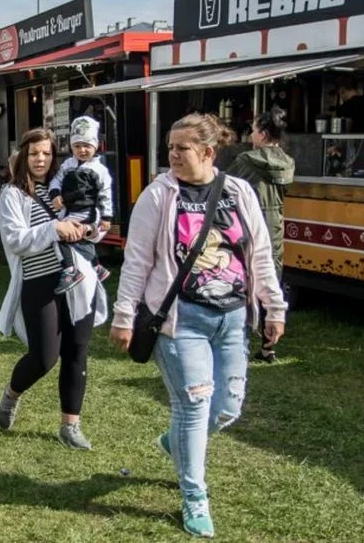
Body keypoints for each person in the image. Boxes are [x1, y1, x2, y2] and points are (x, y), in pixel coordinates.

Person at [109, 113, 287, 538]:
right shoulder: (159, 195)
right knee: (192, 407)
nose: (172, 154)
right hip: (179, 321)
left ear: (208, 152)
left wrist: (273, 308)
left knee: (226, 408)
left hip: (231, 319)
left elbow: (260, 255)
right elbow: (137, 260)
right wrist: (123, 314)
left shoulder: (239, 191)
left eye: (181, 147)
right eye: (170, 146)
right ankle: (194, 496)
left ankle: (175, 443)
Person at [0, 128, 107, 451]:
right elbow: (15, 239)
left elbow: (92, 223)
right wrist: (54, 228)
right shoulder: (12, 194)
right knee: (44, 357)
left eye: (46, 153)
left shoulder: (68, 184)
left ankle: (70, 426)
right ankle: (11, 394)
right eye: (34, 153)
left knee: (77, 351)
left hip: (79, 279)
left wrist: (90, 229)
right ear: (23, 157)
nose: (40, 159)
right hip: (39, 282)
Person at [227, 107, 295, 363]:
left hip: (247, 226)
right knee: (271, 282)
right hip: (275, 227)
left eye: (254, 130)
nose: (251, 134)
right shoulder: (288, 162)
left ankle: (239, 339)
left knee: (242, 282)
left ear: (263, 134)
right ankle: (268, 348)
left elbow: (227, 186)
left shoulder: (246, 160)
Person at [48, 116, 114, 292]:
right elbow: (57, 179)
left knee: (61, 237)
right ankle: (96, 266)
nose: (82, 150)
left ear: (96, 146)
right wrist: (55, 193)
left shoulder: (99, 170)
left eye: (87, 146)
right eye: (77, 146)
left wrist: (107, 216)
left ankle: (70, 270)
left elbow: (105, 193)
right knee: (79, 240)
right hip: (69, 208)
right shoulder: (68, 164)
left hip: (86, 210)